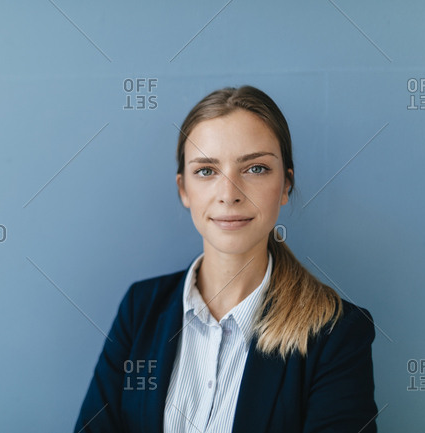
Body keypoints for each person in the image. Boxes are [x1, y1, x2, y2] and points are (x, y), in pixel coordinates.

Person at [74, 85, 378, 432]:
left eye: (256, 168)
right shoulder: (140, 308)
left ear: (286, 186)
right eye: (206, 171)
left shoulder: (337, 333)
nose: (229, 194)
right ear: (183, 190)